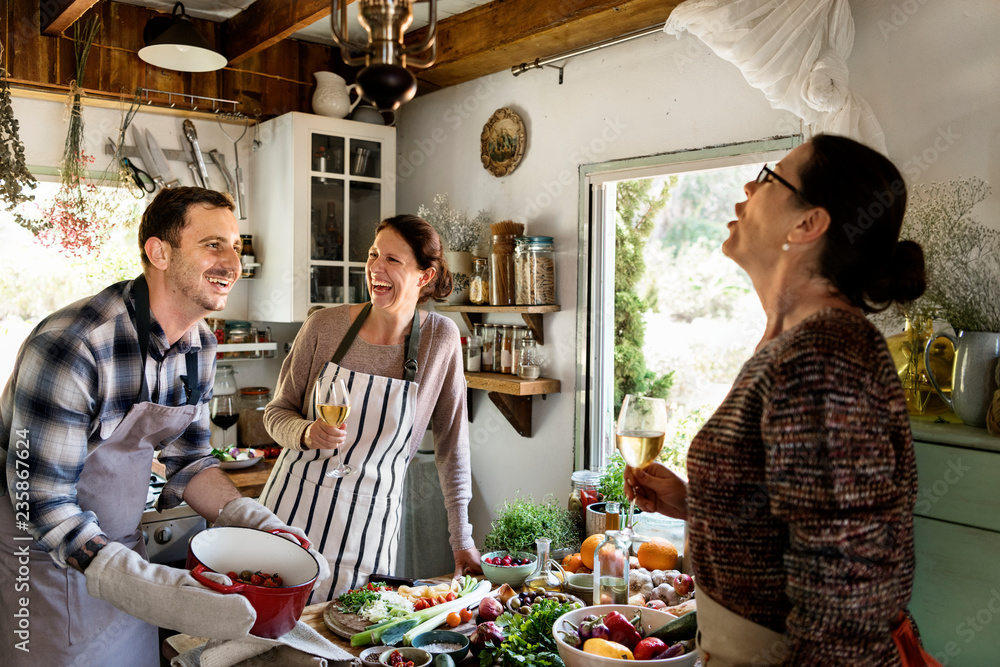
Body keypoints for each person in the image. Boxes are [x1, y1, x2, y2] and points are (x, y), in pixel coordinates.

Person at [625, 135, 926, 665]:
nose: (747, 185)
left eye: (768, 177)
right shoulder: (794, 345)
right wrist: (701, 504)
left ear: (808, 223)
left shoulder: (824, 355)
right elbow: (802, 528)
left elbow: (845, 602)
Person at [0, 187, 327, 666]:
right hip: (45, 570)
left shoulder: (200, 346)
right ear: (158, 252)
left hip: (126, 561)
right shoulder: (72, 346)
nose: (232, 263)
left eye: (235, 246)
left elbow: (190, 462)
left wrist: (250, 518)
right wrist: (153, 589)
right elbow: (42, 502)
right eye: (213, 245)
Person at [261, 214, 482, 602]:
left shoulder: (440, 339)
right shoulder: (323, 327)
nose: (375, 268)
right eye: (373, 254)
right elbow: (276, 412)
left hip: (368, 527)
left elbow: (452, 447)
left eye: (393, 260)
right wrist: (305, 432)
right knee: (263, 633)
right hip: (292, 509)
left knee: (347, 641)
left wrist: (461, 538)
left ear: (424, 276)